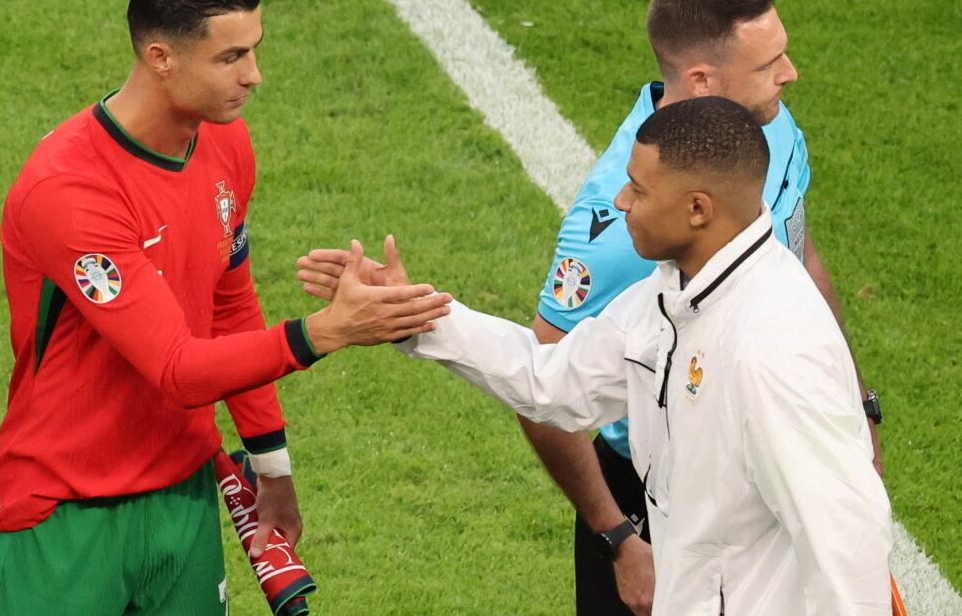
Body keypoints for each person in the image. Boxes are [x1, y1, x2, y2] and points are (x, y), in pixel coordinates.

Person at [0, 0, 451, 616]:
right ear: (161, 57)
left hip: (184, 499)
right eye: (231, 57)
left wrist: (272, 466)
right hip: (64, 513)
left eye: (253, 50)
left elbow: (229, 304)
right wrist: (325, 331)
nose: (254, 75)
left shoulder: (224, 142)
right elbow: (176, 366)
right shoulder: (71, 190)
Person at [302, 97, 891, 615]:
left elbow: (846, 545)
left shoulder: (774, 347)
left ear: (698, 209)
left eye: (639, 188)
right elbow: (552, 382)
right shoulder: (674, 288)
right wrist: (414, 314)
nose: (620, 199)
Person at [519, 0, 884, 616]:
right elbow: (545, 385)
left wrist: (857, 406)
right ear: (700, 81)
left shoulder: (762, 124)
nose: (789, 73)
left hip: (746, 475)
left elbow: (798, 250)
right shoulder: (614, 225)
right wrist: (620, 539)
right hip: (647, 495)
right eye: (768, 62)